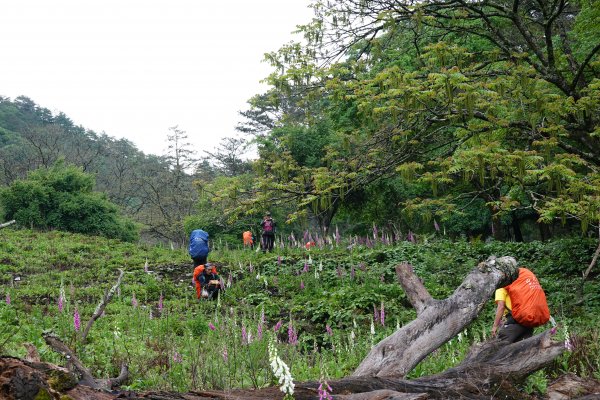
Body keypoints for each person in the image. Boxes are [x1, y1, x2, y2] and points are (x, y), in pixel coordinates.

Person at [492, 267, 549, 343]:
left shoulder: (502, 287)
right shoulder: (518, 283)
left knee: (498, 348)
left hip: (514, 323)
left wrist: (495, 326)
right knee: (522, 352)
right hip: (528, 324)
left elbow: (501, 306)